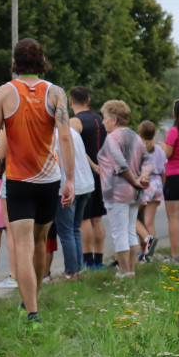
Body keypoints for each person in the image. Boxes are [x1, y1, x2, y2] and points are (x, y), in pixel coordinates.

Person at [0, 38, 75, 324]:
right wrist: (70, 179)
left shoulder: (3, 93)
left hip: (19, 181)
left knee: (23, 246)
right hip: (49, 180)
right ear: (42, 63)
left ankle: (32, 310)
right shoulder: (56, 93)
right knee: (40, 243)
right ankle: (32, 300)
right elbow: (65, 136)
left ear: (14, 63)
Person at [98, 100, 152, 278]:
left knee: (119, 233)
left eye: (105, 118)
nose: (103, 121)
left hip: (117, 192)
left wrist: (135, 181)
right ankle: (131, 271)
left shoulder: (112, 138)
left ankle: (123, 271)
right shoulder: (135, 137)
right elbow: (147, 161)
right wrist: (142, 177)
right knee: (129, 231)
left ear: (114, 119)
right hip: (134, 194)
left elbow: (120, 164)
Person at [69, 86, 108, 270]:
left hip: (84, 174)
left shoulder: (74, 122)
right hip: (101, 172)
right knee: (97, 218)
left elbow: (76, 149)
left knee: (84, 219)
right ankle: (99, 259)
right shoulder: (100, 119)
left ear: (70, 102)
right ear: (89, 101)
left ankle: (88, 259)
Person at [53, 123, 95, 280]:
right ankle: (78, 268)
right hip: (85, 183)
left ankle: (70, 272)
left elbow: (56, 162)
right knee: (75, 229)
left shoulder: (54, 135)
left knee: (66, 231)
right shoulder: (72, 131)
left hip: (66, 187)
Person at [134, 120, 165, 261]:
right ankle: (147, 255)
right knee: (149, 222)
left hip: (145, 183)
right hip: (157, 184)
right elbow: (163, 171)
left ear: (139, 133)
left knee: (132, 217)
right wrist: (162, 187)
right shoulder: (159, 149)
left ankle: (147, 239)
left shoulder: (139, 148)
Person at [162, 100, 179, 263]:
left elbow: (168, 154)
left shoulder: (174, 131)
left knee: (173, 217)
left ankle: (175, 255)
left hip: (174, 176)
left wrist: (162, 146)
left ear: (174, 114)